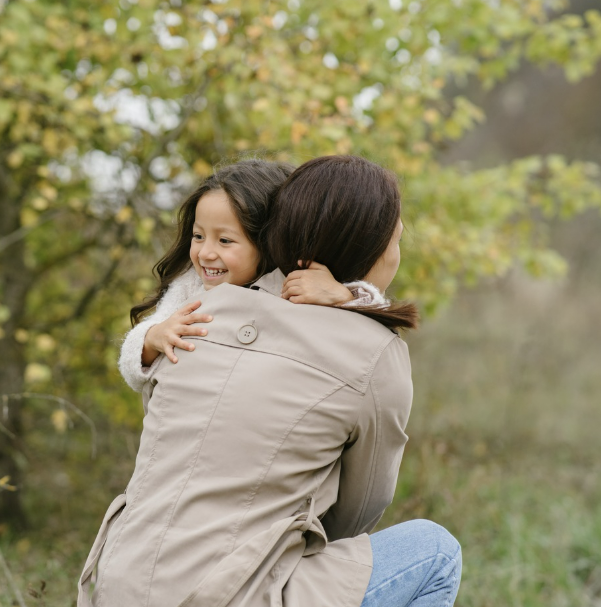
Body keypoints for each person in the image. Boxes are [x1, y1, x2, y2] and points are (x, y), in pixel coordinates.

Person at [81, 155, 461, 607]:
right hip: (227, 597)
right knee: (435, 550)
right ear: (374, 248)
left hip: (112, 584)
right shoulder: (373, 351)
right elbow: (358, 512)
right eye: (396, 241)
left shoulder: (197, 315)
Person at [119, 159, 362, 394]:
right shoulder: (189, 286)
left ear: (268, 242)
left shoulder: (294, 284)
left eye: (225, 240)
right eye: (198, 236)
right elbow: (133, 366)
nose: (205, 253)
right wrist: (152, 338)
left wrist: (344, 296)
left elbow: (366, 335)